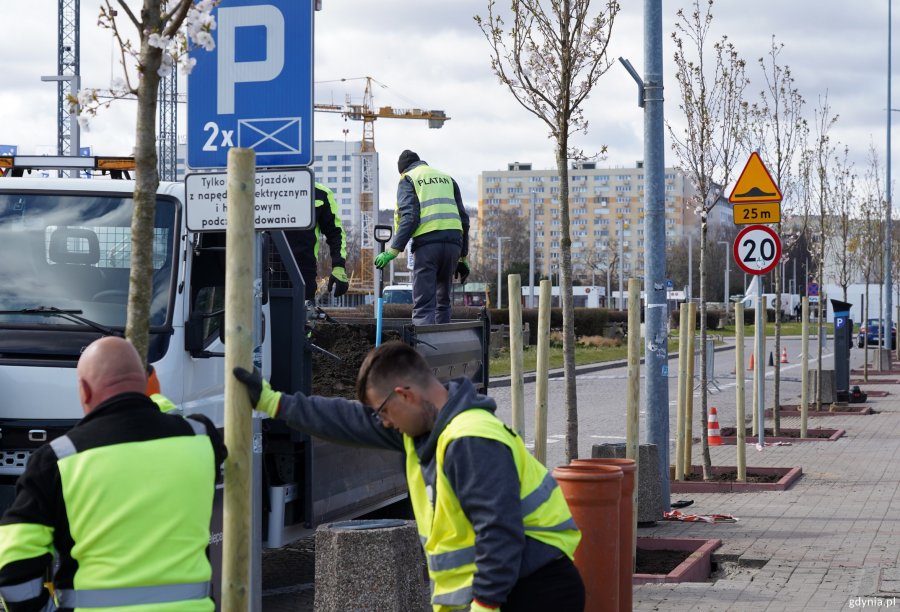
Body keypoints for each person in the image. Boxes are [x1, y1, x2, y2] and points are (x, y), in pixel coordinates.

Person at [233, 341, 583, 612]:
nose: (383, 422)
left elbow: (499, 532)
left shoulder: (471, 440)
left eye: (384, 412)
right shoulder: (424, 431)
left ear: (405, 395)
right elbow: (348, 420)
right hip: (512, 589)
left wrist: (485, 604)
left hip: (535, 590)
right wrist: (272, 402)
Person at [0, 337, 226, 611]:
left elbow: (13, 566)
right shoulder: (201, 439)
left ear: (83, 390)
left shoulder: (56, 461)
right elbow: (168, 424)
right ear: (146, 384)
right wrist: (155, 399)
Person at [374, 150, 470, 325]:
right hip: (453, 244)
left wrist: (394, 250)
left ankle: (424, 347)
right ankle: (442, 344)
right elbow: (464, 219)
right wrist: (463, 256)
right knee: (443, 300)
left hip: (428, 246)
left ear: (402, 170)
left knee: (424, 303)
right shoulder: (447, 178)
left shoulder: (407, 179)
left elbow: (410, 216)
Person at [285, 182, 349, 302]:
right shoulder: (261, 186)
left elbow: (336, 233)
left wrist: (338, 266)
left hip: (303, 272)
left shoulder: (320, 193)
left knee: (299, 316)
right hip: (259, 270)